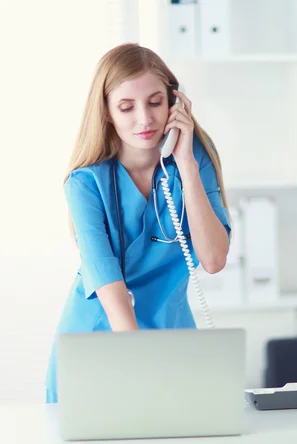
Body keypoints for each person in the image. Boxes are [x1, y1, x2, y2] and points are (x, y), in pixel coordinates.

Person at [44, 43, 231, 403]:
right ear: (107, 113)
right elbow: (110, 288)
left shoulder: (195, 164)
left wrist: (186, 165)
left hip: (170, 337)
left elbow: (213, 259)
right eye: (127, 107)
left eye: (155, 102)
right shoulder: (85, 184)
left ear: (176, 103)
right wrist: (143, 368)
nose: (144, 119)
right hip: (101, 342)